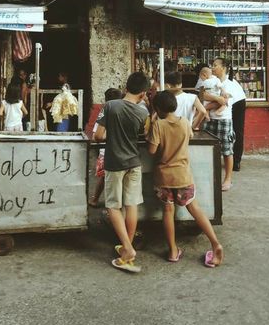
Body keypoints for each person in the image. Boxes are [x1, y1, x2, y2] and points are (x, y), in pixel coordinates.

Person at [147, 90, 223, 267]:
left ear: (157, 108)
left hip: (164, 177)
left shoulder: (158, 125)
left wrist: (152, 125)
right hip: (183, 175)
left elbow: (151, 151)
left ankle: (173, 250)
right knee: (195, 209)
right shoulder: (184, 123)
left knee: (168, 212)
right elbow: (189, 137)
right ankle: (215, 243)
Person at [94, 71, 150, 273]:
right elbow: (144, 135)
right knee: (131, 204)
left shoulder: (110, 106)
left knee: (113, 206)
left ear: (126, 87)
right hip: (134, 162)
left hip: (114, 162)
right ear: (143, 94)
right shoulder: (143, 112)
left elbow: (99, 136)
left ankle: (127, 248)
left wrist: (111, 131)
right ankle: (129, 245)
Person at [202, 57, 236, 191]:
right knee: (209, 149)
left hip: (224, 120)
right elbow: (203, 96)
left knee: (227, 150)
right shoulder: (210, 81)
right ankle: (211, 177)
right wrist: (217, 99)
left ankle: (228, 179)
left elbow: (225, 102)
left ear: (223, 68)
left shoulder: (230, 84)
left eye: (215, 65)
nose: (212, 67)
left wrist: (208, 105)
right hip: (211, 119)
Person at [89, 87, 123, 208]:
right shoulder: (121, 112)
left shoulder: (106, 112)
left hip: (110, 154)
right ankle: (98, 200)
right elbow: (96, 136)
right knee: (107, 180)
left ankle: (99, 201)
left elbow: (95, 136)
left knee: (107, 181)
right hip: (117, 154)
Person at [229, 71, 247, 171]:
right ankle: (236, 162)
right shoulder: (221, 76)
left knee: (237, 131)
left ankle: (236, 162)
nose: (213, 68)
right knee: (238, 131)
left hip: (237, 101)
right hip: (239, 100)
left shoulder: (214, 77)